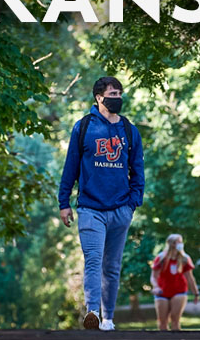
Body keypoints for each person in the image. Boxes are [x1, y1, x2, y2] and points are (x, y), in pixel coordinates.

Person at [58, 76, 145, 331]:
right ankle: (92, 312)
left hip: (120, 209)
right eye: (112, 93)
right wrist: (64, 203)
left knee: (112, 267)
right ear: (99, 97)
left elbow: (138, 170)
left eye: (119, 93)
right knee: (94, 260)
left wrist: (132, 204)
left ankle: (108, 318)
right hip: (90, 208)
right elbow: (70, 167)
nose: (117, 98)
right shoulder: (83, 127)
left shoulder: (129, 130)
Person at [150, 233, 199, 331]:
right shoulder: (161, 258)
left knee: (175, 320)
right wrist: (156, 287)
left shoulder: (185, 259)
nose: (181, 244)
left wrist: (196, 293)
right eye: (179, 242)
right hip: (162, 292)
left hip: (179, 291)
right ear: (172, 244)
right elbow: (153, 277)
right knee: (162, 322)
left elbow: (190, 277)